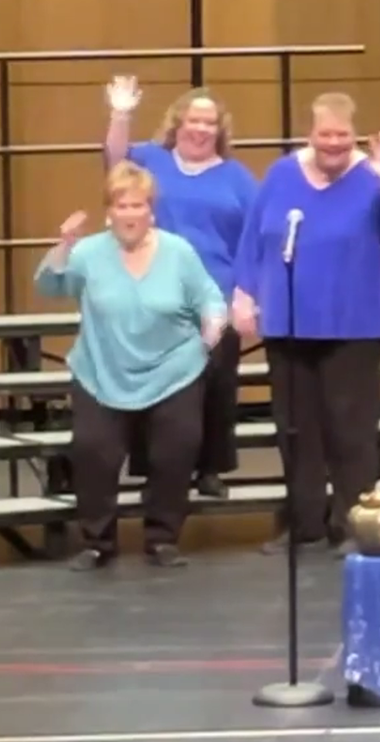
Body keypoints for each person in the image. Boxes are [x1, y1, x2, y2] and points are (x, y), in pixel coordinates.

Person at [233, 94, 380, 555]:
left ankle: (351, 524)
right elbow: (254, 237)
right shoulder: (282, 173)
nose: (334, 144)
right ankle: (304, 525)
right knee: (296, 430)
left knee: (350, 431)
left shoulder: (373, 175)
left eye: (342, 135)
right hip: (290, 321)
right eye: (325, 135)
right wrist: (243, 293)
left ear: (353, 135)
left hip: (352, 322)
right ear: (310, 135)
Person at [39, 163, 226, 570]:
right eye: (121, 205)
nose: (129, 213)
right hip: (102, 370)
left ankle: (162, 538)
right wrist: (63, 245)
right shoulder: (88, 253)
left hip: (173, 370)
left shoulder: (178, 252)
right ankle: (96, 542)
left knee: (174, 453)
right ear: (110, 212)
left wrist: (210, 333)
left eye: (137, 204)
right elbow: (50, 286)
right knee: (93, 452)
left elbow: (210, 297)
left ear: (150, 210)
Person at [101, 78, 258, 500]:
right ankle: (156, 469)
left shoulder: (237, 178)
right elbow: (115, 163)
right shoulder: (152, 160)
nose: (201, 129)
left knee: (216, 386)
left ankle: (210, 469)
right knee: (156, 387)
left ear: (219, 130)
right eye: (194, 120)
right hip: (156, 294)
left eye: (209, 122)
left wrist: (247, 293)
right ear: (178, 123)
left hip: (217, 296)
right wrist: (121, 114)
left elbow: (254, 238)